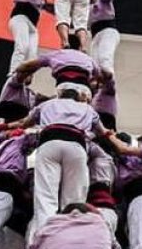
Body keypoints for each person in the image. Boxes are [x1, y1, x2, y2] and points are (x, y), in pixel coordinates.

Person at [12, 89, 109, 240]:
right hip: (76, 146)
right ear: (77, 98)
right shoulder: (88, 109)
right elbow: (103, 132)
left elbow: (24, 123)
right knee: (74, 199)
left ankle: (42, 241)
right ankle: (67, 240)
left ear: (60, 95)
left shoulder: (46, 105)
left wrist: (6, 127)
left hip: (49, 144)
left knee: (45, 198)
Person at [7, 0, 51, 76]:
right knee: (22, 47)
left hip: (32, 27)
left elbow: (51, 9)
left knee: (32, 55)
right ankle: (13, 72)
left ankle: (26, 77)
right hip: (20, 19)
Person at [88, 0, 118, 80]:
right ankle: (97, 87)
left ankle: (110, 82)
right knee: (94, 64)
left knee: (104, 57)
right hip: (95, 36)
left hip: (107, 31)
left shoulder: (103, 1)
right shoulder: (84, 7)